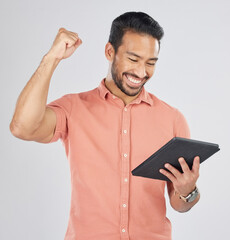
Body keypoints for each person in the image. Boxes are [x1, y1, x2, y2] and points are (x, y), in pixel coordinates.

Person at [10, 12, 200, 240]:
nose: (141, 72)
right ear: (110, 52)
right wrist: (51, 58)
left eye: (150, 63)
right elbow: (22, 127)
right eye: (133, 59)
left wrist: (188, 191)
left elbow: (179, 204)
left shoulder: (173, 119)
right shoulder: (74, 108)